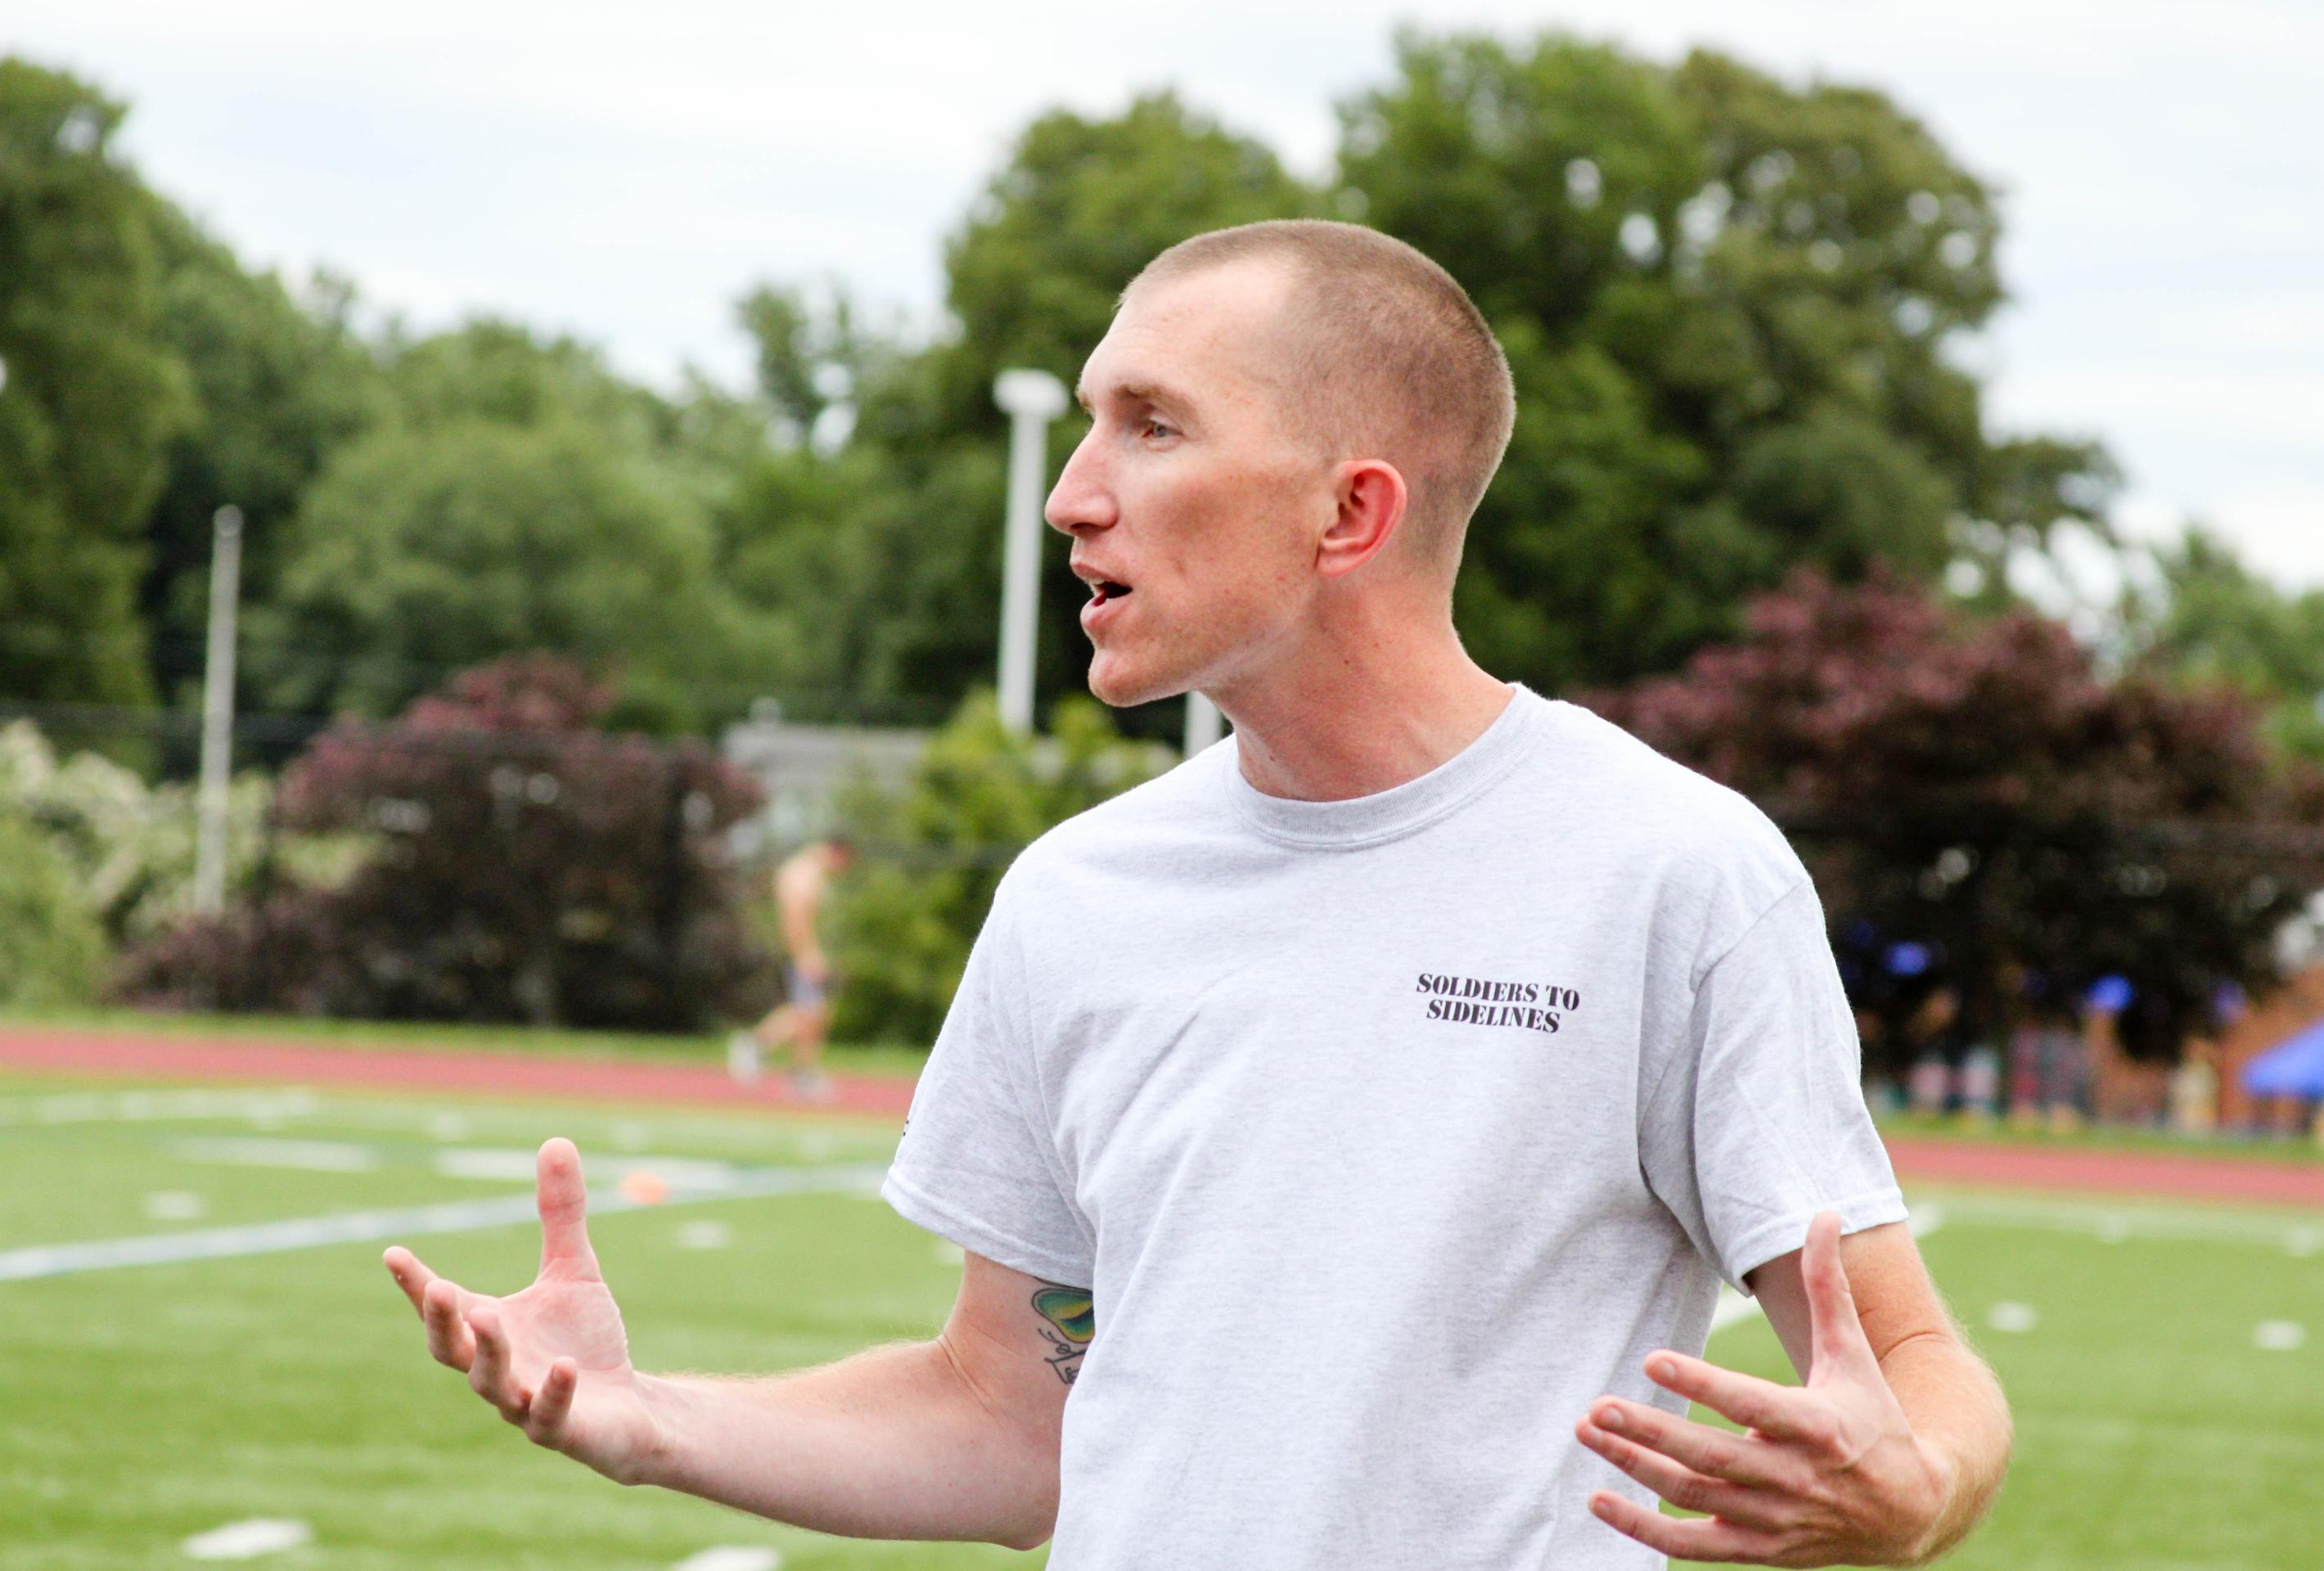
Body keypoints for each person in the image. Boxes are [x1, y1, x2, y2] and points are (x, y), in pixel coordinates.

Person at [384, 219, 2010, 1567]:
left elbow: (1915, 1366)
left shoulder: (1673, 872)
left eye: (1152, 426)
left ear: (1350, 511)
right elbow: (1010, 1423)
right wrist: (649, 1421)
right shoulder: (1074, 896)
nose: (1071, 492)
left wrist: (1918, 1486)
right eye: (1090, 420)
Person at [727, 835, 853, 1099]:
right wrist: (808, 956)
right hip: (804, 955)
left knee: (810, 1013)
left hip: (803, 953)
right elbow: (796, 919)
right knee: (811, 1014)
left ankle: (767, 1054)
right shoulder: (806, 873)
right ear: (837, 852)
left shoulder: (804, 870)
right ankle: (785, 1065)